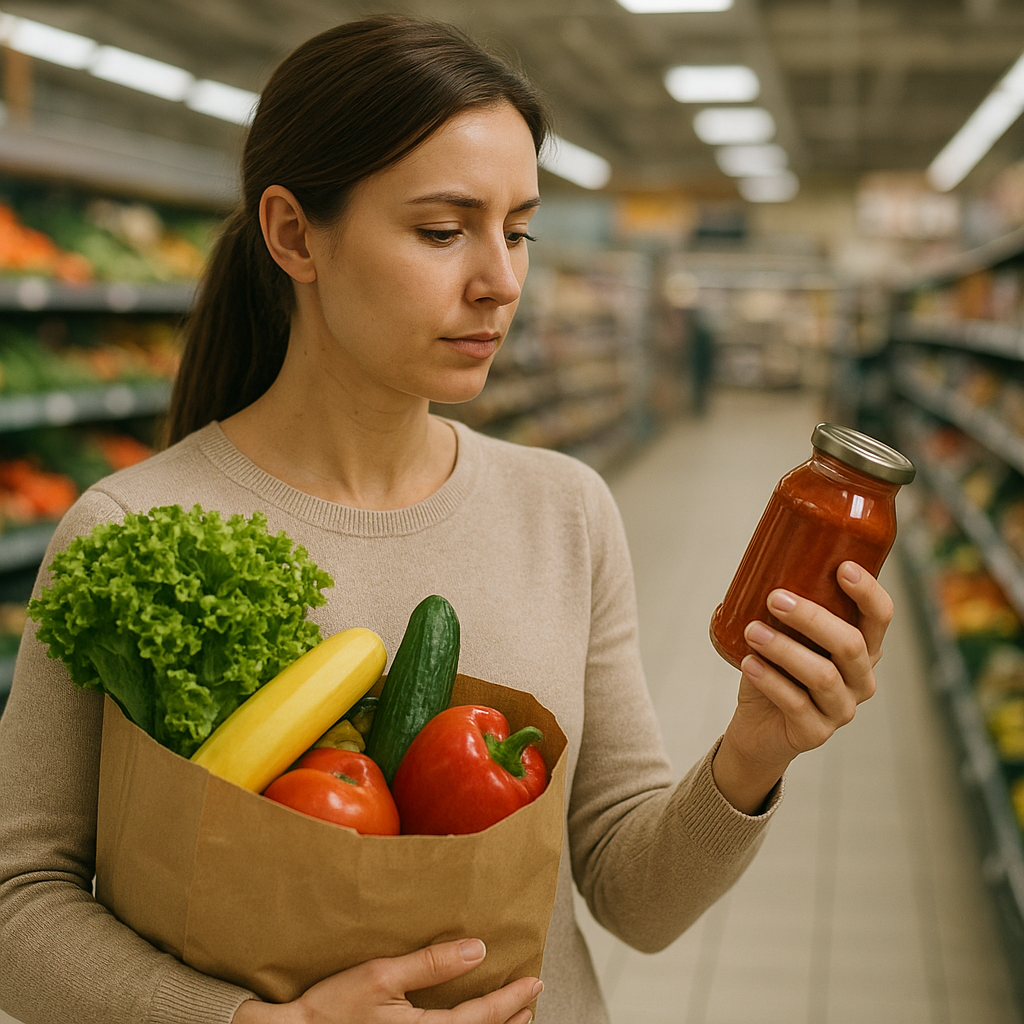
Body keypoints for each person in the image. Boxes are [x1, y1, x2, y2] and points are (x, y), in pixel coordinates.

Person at [0, 15, 894, 1024]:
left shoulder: (565, 510)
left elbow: (631, 898)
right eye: (441, 231)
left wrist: (755, 749)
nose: (501, 282)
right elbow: (17, 903)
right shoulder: (130, 525)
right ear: (295, 233)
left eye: (517, 230)